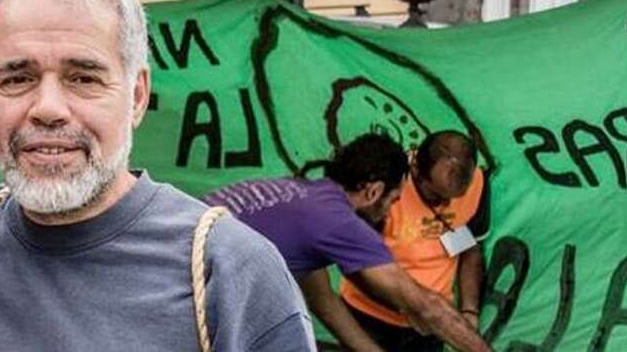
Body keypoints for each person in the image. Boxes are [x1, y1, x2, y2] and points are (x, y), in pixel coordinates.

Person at [0, 0, 315, 351]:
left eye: (83, 78)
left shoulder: (229, 272)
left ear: (137, 96)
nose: (48, 109)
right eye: (17, 78)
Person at [202, 133, 490, 352]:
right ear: (373, 192)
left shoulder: (303, 197)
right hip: (187, 294)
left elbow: (323, 300)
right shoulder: (339, 222)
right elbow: (426, 306)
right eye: (392, 201)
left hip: (173, 268)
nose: (391, 212)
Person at [341, 130, 488, 351]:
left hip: (431, 325)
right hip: (370, 318)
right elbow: (355, 266)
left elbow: (469, 248)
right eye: (435, 195)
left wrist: (469, 311)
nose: (445, 204)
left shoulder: (476, 184)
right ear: (416, 170)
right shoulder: (383, 189)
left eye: (455, 197)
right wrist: (412, 307)